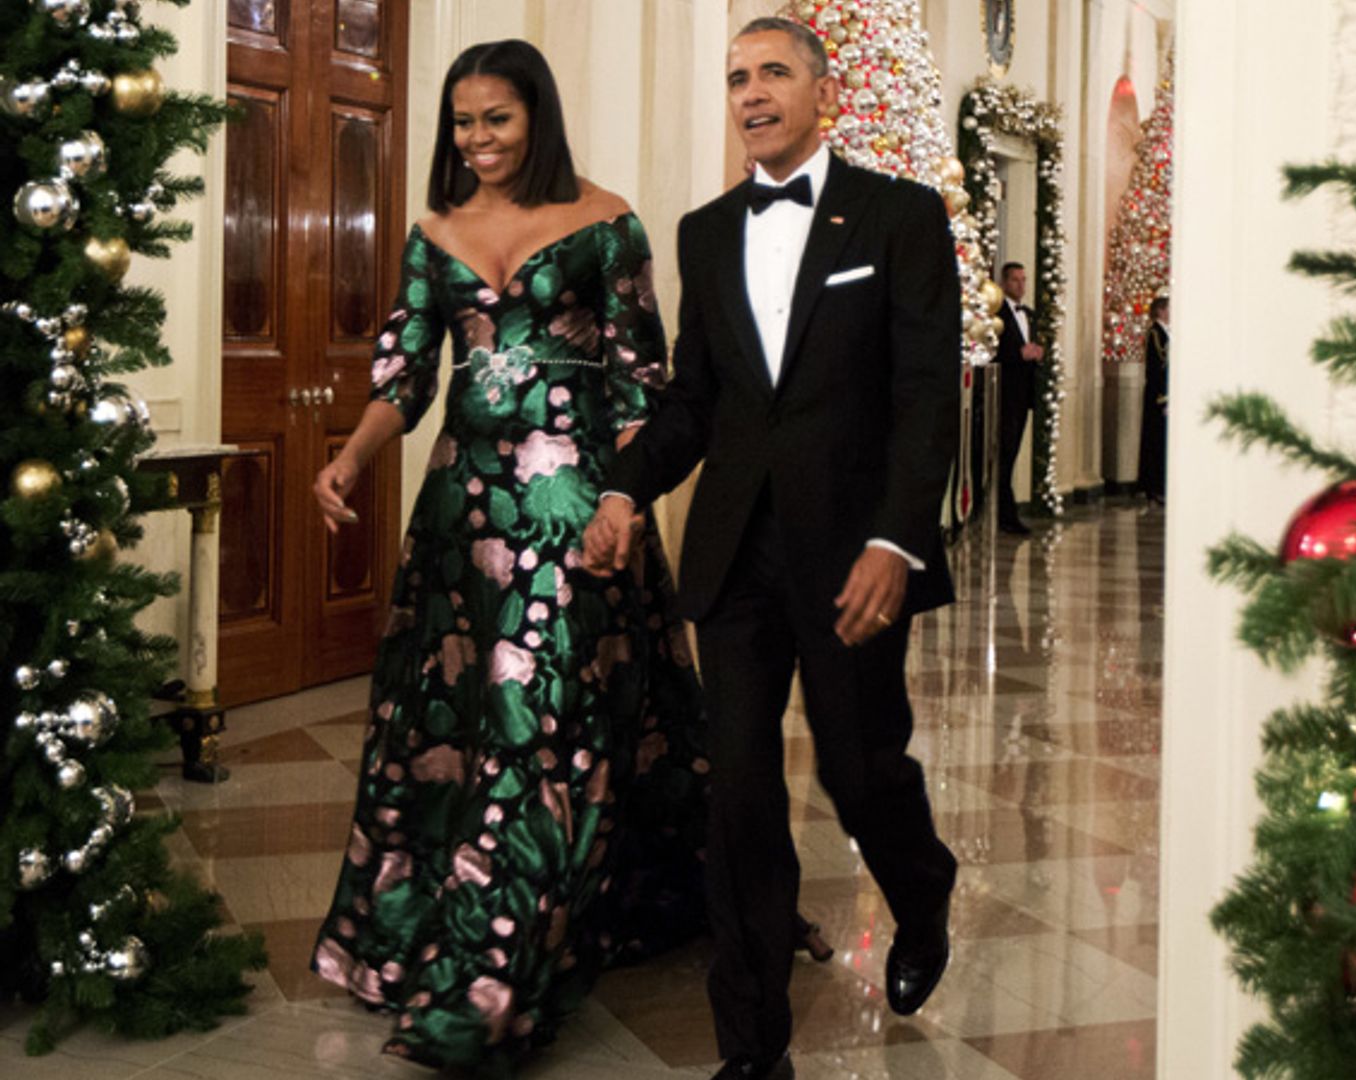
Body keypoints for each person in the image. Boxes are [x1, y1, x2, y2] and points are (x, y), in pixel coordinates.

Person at [306, 40, 712, 1074]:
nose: (478, 139)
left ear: (539, 117)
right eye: (462, 121)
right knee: (462, 716)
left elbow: (641, 383)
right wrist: (350, 460)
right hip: (459, 513)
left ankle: (490, 980)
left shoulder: (605, 221)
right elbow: (404, 374)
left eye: (498, 118)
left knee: (539, 723)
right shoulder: (434, 231)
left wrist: (621, 505)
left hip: (571, 510)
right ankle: (447, 928)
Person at [583, 17, 961, 1080]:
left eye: (774, 73)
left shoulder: (900, 216)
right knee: (738, 793)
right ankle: (752, 1051)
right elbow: (694, 402)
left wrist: (896, 538)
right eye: (738, 76)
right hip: (736, 556)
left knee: (860, 769)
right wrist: (624, 486)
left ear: (823, 92)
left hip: (852, 558)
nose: (751, 92)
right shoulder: (705, 232)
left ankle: (921, 887)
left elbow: (929, 396)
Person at [986, 261, 1044, 534]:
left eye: (1024, 280)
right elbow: (990, 352)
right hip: (1002, 394)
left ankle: (1006, 513)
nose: (1021, 285)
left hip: (1022, 396)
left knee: (1012, 453)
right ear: (1004, 283)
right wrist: (1018, 354)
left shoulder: (1030, 315)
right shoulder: (997, 315)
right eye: (1016, 281)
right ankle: (1004, 514)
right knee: (1003, 455)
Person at [1137, 295, 1170, 503]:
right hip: (1159, 396)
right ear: (1160, 311)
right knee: (1155, 442)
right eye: (1168, 308)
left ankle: (1161, 485)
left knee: (1162, 443)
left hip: (1167, 394)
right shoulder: (1155, 334)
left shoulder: (1167, 333)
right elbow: (1157, 369)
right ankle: (1153, 487)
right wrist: (1164, 399)